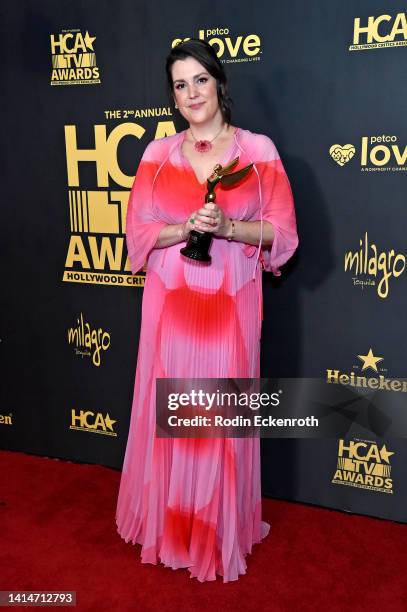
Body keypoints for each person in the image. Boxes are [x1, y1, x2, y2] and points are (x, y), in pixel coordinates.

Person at [116, 38, 298, 583]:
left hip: (229, 308)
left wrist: (229, 228)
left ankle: (217, 532)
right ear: (172, 98)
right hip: (170, 309)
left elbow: (284, 235)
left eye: (200, 79)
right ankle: (171, 528)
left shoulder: (258, 151)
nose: (192, 92)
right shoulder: (156, 155)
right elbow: (137, 235)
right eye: (180, 84)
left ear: (219, 83)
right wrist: (184, 228)